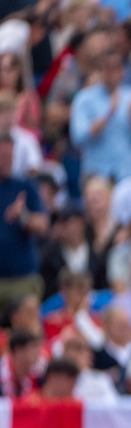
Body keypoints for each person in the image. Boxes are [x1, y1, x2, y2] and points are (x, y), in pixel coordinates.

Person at [69, 48, 131, 183]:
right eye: (106, 68)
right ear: (99, 71)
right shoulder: (84, 98)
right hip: (96, 173)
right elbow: (78, 137)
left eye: (116, 68)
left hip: (129, 173)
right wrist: (108, 115)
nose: (111, 73)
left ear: (123, 71)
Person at [0, 132, 48, 313]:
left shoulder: (25, 187)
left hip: (22, 279)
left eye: (9, 156)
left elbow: (43, 226)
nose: (7, 161)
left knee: (27, 333)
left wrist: (23, 217)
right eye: (2, 156)